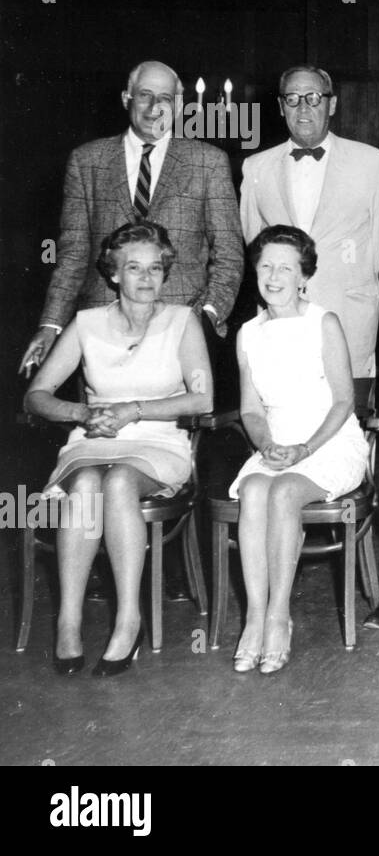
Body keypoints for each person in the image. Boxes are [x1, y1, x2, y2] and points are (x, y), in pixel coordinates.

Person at [23, 221, 214, 677]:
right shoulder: (86, 323)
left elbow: (202, 399)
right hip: (92, 438)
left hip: (157, 440)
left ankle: (129, 617)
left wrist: (134, 410)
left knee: (121, 478)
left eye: (155, 268)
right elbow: (37, 395)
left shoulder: (182, 322)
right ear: (113, 274)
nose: (146, 278)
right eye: (134, 268)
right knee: (88, 480)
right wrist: (81, 414)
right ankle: (68, 621)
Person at [19, 59, 243, 377]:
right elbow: (72, 255)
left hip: (181, 329)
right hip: (100, 332)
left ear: (178, 106)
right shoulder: (86, 161)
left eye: (165, 98)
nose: (154, 107)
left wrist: (205, 317)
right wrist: (50, 324)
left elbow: (229, 256)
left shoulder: (209, 163)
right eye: (144, 95)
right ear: (127, 98)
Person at [228, 225, 369, 675]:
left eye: (285, 268)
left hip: (328, 439)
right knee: (252, 489)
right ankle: (253, 616)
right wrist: (267, 444)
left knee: (285, 491)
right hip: (277, 441)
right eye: (265, 266)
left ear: (304, 276)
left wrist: (304, 449)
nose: (273, 276)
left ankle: (278, 616)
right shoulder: (248, 333)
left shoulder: (322, 321)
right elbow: (251, 410)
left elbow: (345, 400)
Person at [239, 65, 379, 378]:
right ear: (281, 107)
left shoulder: (372, 163)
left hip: (350, 313)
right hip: (281, 314)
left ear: (332, 104)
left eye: (313, 97)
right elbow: (253, 244)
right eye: (293, 99)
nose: (303, 108)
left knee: (349, 413)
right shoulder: (256, 167)